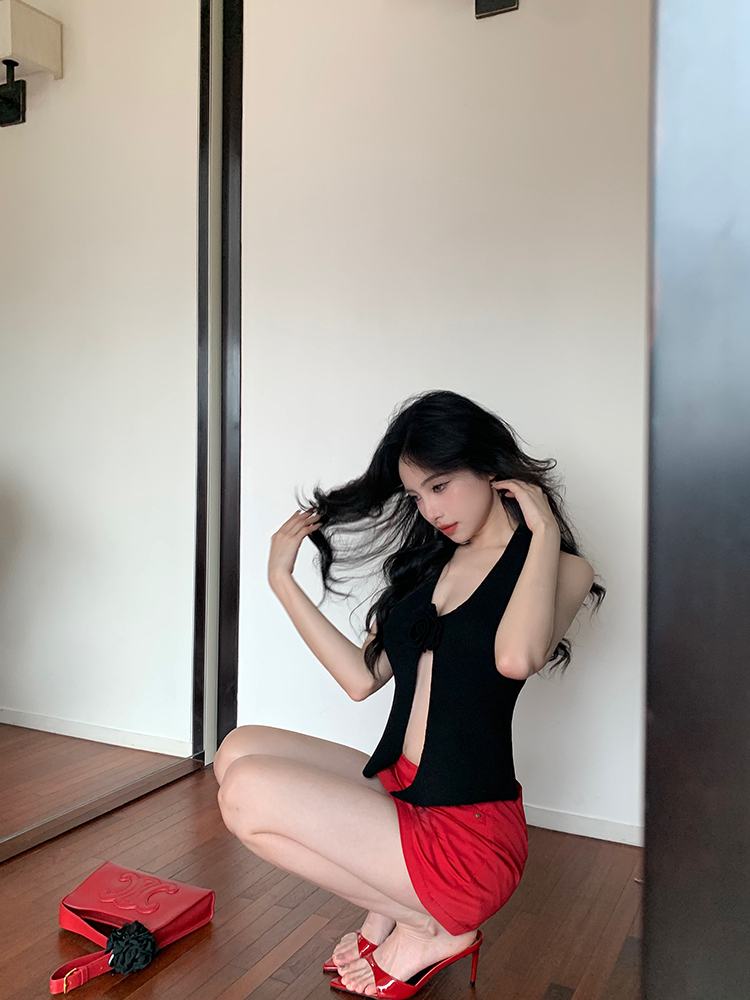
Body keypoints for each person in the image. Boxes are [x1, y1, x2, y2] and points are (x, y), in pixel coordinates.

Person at [213, 389, 604, 998]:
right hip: (402, 791)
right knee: (236, 749)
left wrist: (544, 529)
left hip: (465, 833)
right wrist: (280, 580)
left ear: (489, 468)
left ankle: (431, 926)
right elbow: (360, 678)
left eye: (440, 486)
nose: (430, 510)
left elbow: (516, 658)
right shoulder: (430, 565)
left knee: (246, 793)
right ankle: (401, 912)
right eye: (417, 496)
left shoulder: (557, 564)